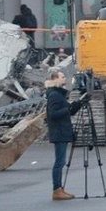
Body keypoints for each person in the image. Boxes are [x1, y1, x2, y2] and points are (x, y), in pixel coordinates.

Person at [44, 70, 84, 201]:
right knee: (59, 162)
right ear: (55, 79)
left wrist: (78, 104)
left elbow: (69, 111)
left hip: (61, 130)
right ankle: (57, 190)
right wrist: (67, 109)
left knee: (60, 161)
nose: (65, 79)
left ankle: (59, 189)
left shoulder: (57, 94)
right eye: (62, 77)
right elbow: (53, 114)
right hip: (59, 131)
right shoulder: (54, 95)